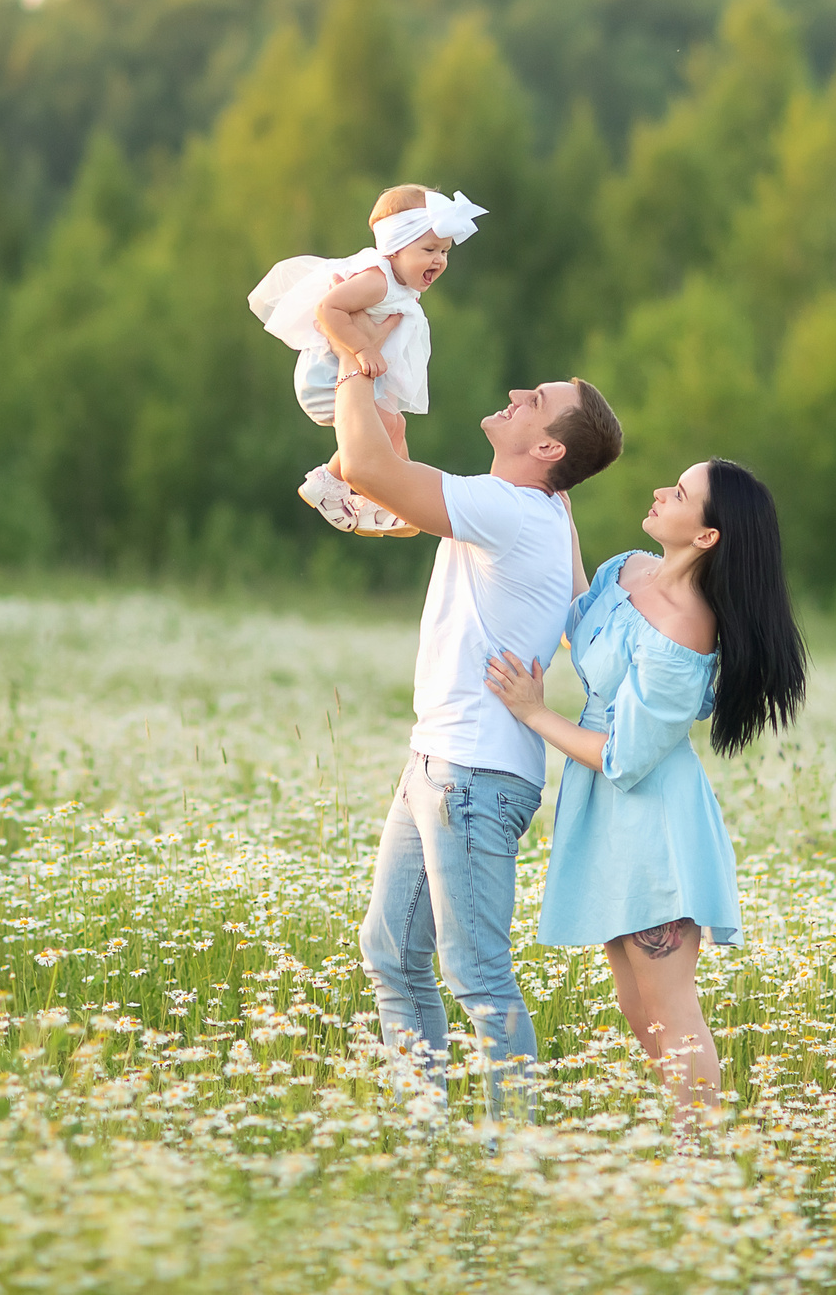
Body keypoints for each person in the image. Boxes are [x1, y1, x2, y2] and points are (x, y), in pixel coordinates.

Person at [333, 369, 624, 1116]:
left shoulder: (516, 508)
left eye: (539, 401)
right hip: (442, 762)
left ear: (548, 447)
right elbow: (386, 475)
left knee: (478, 975)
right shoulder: (547, 507)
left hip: (471, 775)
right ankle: (423, 1133)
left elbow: (368, 470)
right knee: (392, 953)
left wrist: (349, 358)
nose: (521, 392)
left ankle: (512, 1157)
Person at [483, 458, 807, 1125]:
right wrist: (557, 511)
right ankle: (685, 1135)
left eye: (681, 493)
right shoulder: (628, 570)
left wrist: (535, 713)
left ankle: (701, 1155)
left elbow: (626, 758)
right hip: (608, 819)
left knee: (668, 1004)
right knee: (636, 1003)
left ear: (708, 536)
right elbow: (583, 618)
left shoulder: (686, 628)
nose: (662, 491)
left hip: (652, 820)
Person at [247, 184, 486, 536]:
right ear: (395, 248)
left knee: (395, 428)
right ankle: (329, 483)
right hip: (328, 377)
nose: (439, 260)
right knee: (387, 428)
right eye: (429, 249)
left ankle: (392, 500)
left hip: (356, 376)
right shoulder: (378, 280)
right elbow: (328, 308)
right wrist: (362, 349)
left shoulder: (398, 283)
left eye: (445, 251)